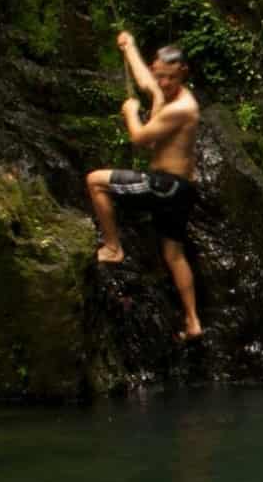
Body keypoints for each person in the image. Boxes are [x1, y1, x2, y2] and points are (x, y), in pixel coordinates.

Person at [85, 32, 204, 341]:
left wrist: (130, 114)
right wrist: (130, 48)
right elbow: (146, 83)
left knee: (95, 181)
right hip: (182, 190)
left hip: (167, 186)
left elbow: (141, 139)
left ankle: (113, 248)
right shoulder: (168, 92)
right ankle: (192, 322)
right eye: (159, 76)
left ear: (183, 73)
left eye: (169, 78)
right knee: (173, 253)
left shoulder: (183, 108)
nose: (162, 84)